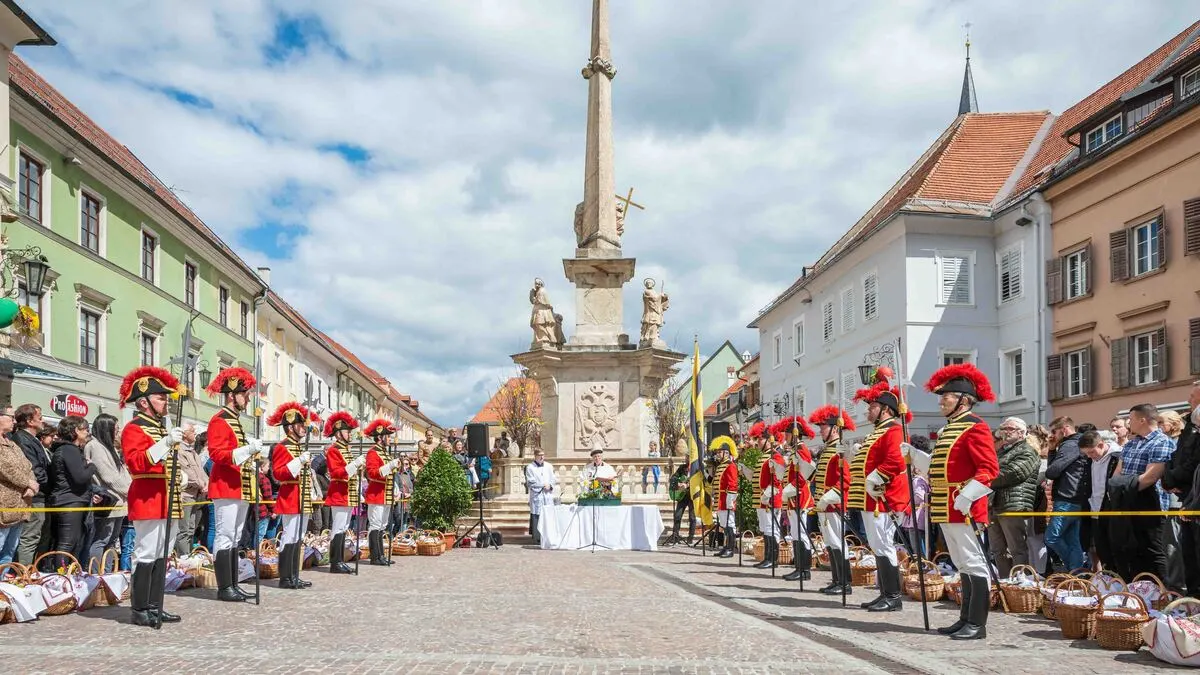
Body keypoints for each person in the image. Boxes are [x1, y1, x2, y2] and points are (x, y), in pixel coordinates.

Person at [922, 363, 999, 641]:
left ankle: (977, 624)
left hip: (965, 506)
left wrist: (966, 496)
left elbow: (988, 469)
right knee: (961, 564)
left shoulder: (975, 427)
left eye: (947, 396)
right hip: (946, 505)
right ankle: (965, 618)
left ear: (964, 400)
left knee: (974, 563)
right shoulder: (949, 429)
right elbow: (941, 468)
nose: (942, 401)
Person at [119, 366, 187, 628]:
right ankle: (139, 609)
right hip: (148, 497)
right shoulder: (134, 429)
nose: (166, 401)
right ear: (144, 402)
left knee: (162, 554)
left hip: (167, 498)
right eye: (161, 398)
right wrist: (165, 444)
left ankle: (155, 605)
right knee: (146, 554)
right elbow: (137, 463)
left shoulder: (159, 429)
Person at [203, 367, 264, 602]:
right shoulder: (220, 420)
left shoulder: (235, 422)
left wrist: (252, 454)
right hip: (226, 486)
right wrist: (246, 450)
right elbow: (217, 454)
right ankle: (224, 586)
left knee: (235, 537)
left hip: (240, 487)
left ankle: (233, 584)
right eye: (244, 394)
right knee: (225, 535)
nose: (247, 398)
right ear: (231, 395)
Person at [849, 382, 911, 612]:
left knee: (884, 545)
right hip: (872, 498)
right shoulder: (877, 432)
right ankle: (885, 593)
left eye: (872, 407)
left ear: (885, 409)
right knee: (877, 545)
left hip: (885, 498)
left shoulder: (894, 430)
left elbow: (895, 460)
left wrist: (876, 478)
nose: (868, 411)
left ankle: (893, 596)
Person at [1111, 403, 1173, 580]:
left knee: (1153, 551)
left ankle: (1161, 594)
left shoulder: (1162, 442)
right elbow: (1116, 475)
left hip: (1151, 505)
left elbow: (1150, 477)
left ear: (1142, 420)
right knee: (1129, 549)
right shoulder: (1131, 444)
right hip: (1126, 502)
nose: (1129, 424)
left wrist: (1122, 487)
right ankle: (1138, 591)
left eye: (1130, 419)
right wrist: (1120, 489)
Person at [808, 406, 855, 596]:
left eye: (824, 427)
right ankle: (836, 580)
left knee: (837, 542)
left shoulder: (839, 448)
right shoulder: (829, 449)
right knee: (830, 542)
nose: (821, 430)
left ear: (835, 428)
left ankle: (845, 582)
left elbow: (845, 480)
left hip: (834, 504)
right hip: (824, 504)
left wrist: (828, 497)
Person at [269, 402, 316, 589]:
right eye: (300, 424)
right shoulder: (282, 447)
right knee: (289, 537)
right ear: (290, 427)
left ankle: (294, 574)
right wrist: (299, 462)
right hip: (290, 496)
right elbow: (278, 473)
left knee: (299, 537)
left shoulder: (297, 447)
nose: (303, 427)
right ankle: (285, 577)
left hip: (302, 497)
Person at [987, 417, 1040, 578]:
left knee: (1016, 549)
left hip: (1014, 505)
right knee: (998, 550)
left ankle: (1019, 584)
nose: (1005, 432)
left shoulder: (1027, 451)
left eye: (1010, 428)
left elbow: (1014, 473)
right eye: (1004, 428)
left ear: (1022, 433)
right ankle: (1005, 585)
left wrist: (985, 478)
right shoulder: (1002, 451)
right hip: (995, 504)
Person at [1163, 382, 1200, 597]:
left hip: (1192, 503)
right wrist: (1169, 480)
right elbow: (1178, 459)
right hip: (1189, 500)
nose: (1189, 401)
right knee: (1190, 555)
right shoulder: (1191, 429)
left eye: (1192, 397)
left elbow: (1191, 463)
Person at [48, 415, 97, 570]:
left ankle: (68, 573)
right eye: (85, 430)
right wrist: (91, 466)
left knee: (73, 542)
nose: (88, 433)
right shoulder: (69, 449)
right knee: (67, 543)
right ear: (76, 430)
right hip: (69, 501)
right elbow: (80, 477)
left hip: (71, 499)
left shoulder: (68, 449)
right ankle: (61, 576)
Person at [85, 413, 131, 572]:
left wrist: (130, 489)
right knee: (101, 540)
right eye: (116, 429)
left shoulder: (109, 448)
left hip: (120, 501)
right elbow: (108, 475)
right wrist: (129, 491)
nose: (118, 433)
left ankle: (109, 573)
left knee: (112, 541)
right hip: (108, 501)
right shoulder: (95, 446)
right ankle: (97, 575)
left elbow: (122, 472)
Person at [322, 411, 363, 574]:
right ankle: (335, 561)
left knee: (344, 527)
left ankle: (339, 559)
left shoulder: (346, 450)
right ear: (339, 433)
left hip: (348, 494)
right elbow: (337, 473)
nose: (350, 434)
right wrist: (354, 465)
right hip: (339, 493)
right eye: (347, 431)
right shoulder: (334, 450)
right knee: (338, 528)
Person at [12, 403, 50, 568]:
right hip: (33, 497)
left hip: (41, 495)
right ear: (29, 420)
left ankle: (31, 571)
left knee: (38, 536)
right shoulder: (22, 439)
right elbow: (34, 469)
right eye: (39, 417)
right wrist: (51, 483)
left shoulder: (32, 439)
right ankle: (24, 575)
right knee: (30, 537)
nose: (42, 421)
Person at [780, 417, 816, 584]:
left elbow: (803, 476)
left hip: (800, 497)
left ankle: (804, 569)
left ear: (795, 435)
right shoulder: (794, 450)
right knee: (795, 533)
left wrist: (788, 490)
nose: (785, 437)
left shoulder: (802, 450)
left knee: (801, 534)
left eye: (787, 434)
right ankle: (799, 568)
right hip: (793, 498)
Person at [0, 406, 36, 565]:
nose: (14, 421)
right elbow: (5, 467)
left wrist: (32, 484)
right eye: (11, 417)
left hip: (19, 506)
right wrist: (27, 482)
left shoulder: (11, 443)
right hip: (4, 507)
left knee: (9, 551)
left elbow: (27, 465)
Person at [363, 419, 400, 566]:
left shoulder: (384, 453)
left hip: (386, 494)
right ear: (380, 437)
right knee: (375, 524)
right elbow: (372, 473)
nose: (389, 439)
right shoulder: (373, 453)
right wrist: (389, 466)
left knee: (383, 525)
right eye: (387, 436)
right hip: (377, 493)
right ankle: (375, 556)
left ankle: (381, 555)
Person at [754, 431, 786, 570]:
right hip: (763, 499)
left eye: (760, 439)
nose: (757, 442)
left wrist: (768, 494)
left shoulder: (775, 456)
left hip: (771, 499)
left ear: (768, 440)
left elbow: (777, 480)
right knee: (766, 529)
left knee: (772, 529)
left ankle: (773, 559)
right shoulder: (765, 456)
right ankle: (767, 557)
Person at [174, 430, 207, 555]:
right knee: (183, 530)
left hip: (196, 495)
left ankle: (188, 556)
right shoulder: (180, 451)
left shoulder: (193, 452)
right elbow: (188, 472)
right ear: (184, 433)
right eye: (192, 430)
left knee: (191, 529)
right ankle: (183, 558)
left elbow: (200, 471)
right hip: (186, 495)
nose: (195, 433)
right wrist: (201, 484)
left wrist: (207, 483)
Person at [712, 441, 739, 558]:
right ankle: (726, 547)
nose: (718, 454)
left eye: (720, 452)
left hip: (727, 498)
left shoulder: (730, 465)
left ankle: (731, 549)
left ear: (726, 453)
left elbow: (733, 484)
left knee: (730, 524)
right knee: (724, 524)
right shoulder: (721, 465)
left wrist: (730, 500)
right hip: (720, 499)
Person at [525, 449, 556, 545]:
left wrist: (550, 486)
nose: (542, 457)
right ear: (535, 456)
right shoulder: (530, 467)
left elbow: (553, 479)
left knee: (547, 515)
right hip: (537, 495)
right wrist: (543, 485)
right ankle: (537, 538)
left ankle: (548, 536)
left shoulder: (549, 466)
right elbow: (531, 482)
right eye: (539, 455)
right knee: (537, 515)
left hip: (547, 495)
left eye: (543, 455)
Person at [668, 461, 695, 543]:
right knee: (677, 516)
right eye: (687, 456)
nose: (687, 458)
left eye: (689, 456)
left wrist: (688, 485)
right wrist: (678, 483)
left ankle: (690, 538)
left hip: (692, 496)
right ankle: (675, 536)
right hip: (682, 496)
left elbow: (700, 481)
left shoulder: (697, 467)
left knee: (692, 517)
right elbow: (673, 477)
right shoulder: (682, 467)